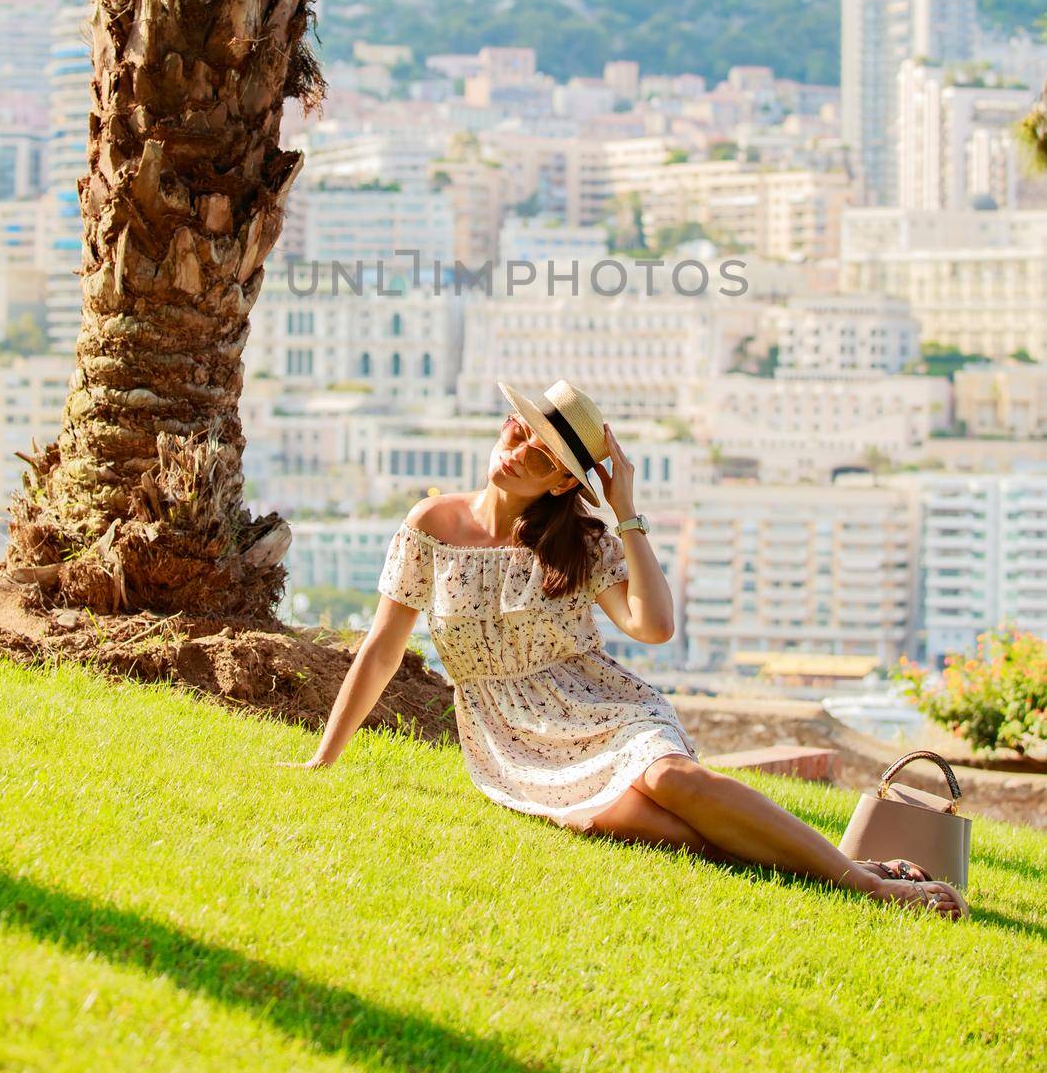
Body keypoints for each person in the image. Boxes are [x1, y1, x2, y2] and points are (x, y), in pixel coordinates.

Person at [280, 377, 968, 919]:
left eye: (540, 454)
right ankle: (851, 870)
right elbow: (379, 650)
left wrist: (626, 509)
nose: (516, 449)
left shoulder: (579, 543)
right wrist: (323, 756)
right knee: (660, 830)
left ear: (560, 484)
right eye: (519, 432)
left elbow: (654, 627)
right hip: (508, 735)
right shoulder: (430, 524)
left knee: (674, 783)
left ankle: (865, 886)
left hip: (603, 707)